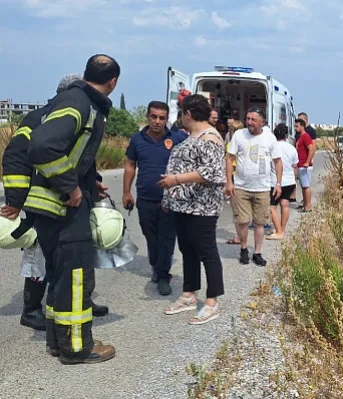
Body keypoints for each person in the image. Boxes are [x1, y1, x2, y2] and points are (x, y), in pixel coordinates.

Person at [24, 54, 120, 364]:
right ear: (113, 82)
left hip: (53, 208)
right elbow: (42, 145)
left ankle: (57, 342)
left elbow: (72, 152)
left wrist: (91, 183)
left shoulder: (75, 100)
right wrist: (72, 186)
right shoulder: (81, 103)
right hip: (63, 207)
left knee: (61, 276)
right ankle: (77, 347)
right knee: (76, 278)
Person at [1, 73, 109, 331]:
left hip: (73, 202)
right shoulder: (40, 118)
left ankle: (81, 299)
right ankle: (30, 310)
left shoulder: (79, 115)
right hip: (42, 203)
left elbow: (82, 157)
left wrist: (92, 183)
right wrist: (15, 201)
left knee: (76, 257)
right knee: (39, 254)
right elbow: (15, 158)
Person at [159, 94, 226, 325]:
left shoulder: (210, 137)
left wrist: (175, 179)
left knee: (206, 251)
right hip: (184, 204)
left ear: (188, 113)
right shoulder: (193, 135)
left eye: (181, 114)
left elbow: (213, 174)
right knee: (187, 250)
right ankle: (189, 294)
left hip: (202, 206)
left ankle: (212, 302)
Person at [123, 101, 188, 296]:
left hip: (170, 200)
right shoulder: (137, 140)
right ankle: (156, 265)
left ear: (167, 119)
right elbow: (130, 166)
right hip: (145, 198)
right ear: (148, 117)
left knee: (166, 238)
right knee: (151, 237)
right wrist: (126, 192)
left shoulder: (176, 139)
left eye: (162, 118)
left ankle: (162, 275)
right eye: (154, 117)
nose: (157, 121)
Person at [225, 107, 283, 266]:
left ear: (262, 122)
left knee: (259, 222)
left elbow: (278, 162)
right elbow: (229, 159)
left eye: (253, 119)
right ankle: (244, 249)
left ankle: (257, 252)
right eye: (248, 119)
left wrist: (278, 183)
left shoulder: (270, 138)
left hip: (262, 188)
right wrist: (229, 182)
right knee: (242, 221)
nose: (249, 122)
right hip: (241, 187)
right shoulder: (239, 135)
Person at [266, 124, 298, 240]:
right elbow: (295, 165)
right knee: (285, 204)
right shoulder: (291, 148)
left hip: (275, 181)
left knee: (272, 207)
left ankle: (279, 231)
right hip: (289, 181)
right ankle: (282, 229)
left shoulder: (272, 147)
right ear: (286, 135)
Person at [225, 117, 244, 245]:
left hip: (234, 177)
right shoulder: (247, 143)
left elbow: (228, 164)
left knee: (236, 211)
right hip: (245, 178)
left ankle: (239, 237)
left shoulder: (230, 145)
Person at [295, 118, 316, 213]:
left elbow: (311, 149)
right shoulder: (300, 137)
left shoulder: (306, 136)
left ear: (302, 126)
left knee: (306, 186)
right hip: (301, 165)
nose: (295, 128)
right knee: (303, 186)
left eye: (297, 126)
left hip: (305, 166)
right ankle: (305, 205)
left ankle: (308, 206)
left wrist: (307, 162)